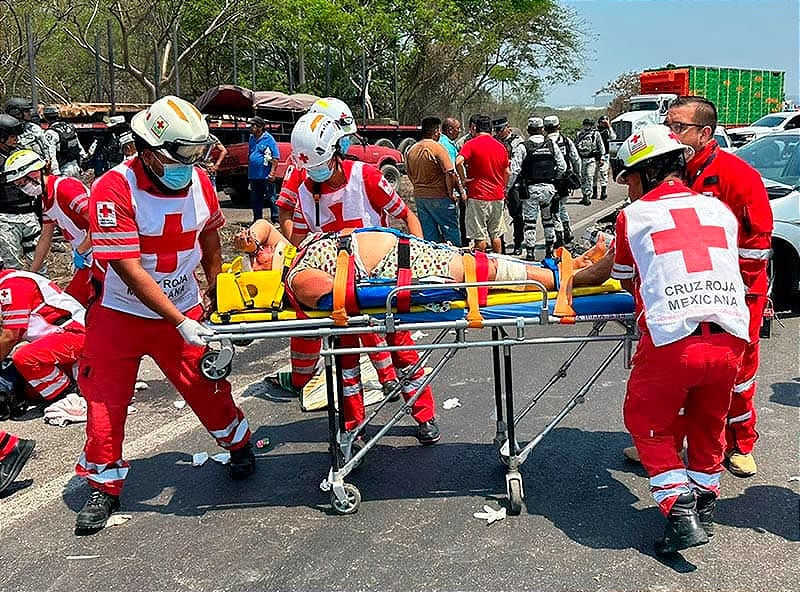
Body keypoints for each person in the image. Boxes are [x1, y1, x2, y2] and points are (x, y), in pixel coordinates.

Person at [74, 95, 254, 533]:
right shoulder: (113, 189)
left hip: (184, 305)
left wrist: (218, 292)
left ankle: (238, 443)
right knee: (104, 398)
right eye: (183, 155)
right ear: (150, 150)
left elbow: (210, 236)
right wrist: (179, 320)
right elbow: (128, 267)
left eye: (197, 154)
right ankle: (104, 484)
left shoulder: (199, 182)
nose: (191, 164)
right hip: (121, 312)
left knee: (204, 384)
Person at [612, 125, 749, 555]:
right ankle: (706, 502)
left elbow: (621, 277)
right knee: (709, 424)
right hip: (729, 339)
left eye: (630, 178)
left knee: (646, 423)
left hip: (674, 341)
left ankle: (679, 508)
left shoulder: (633, 216)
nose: (629, 188)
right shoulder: (720, 211)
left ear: (647, 173)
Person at [274, 111, 439, 443]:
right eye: (311, 170)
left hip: (380, 281)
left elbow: (406, 216)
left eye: (322, 165)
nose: (317, 175)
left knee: (401, 350)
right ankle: (354, 428)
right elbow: (300, 234)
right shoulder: (304, 187)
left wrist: (419, 256)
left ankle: (424, 415)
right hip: (339, 289)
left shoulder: (364, 176)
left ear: (338, 149)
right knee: (345, 363)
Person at [638, 96, 770, 478]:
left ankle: (740, 443)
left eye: (678, 127)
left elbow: (756, 248)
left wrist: (734, 295)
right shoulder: (665, 172)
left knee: (737, 374)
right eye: (668, 126)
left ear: (705, 133)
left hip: (734, 297)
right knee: (678, 372)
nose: (670, 133)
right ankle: (668, 442)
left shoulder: (737, 176)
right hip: (680, 296)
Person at [274, 99, 402, 403]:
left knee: (371, 323)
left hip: (375, 265)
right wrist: (306, 252)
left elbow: (402, 214)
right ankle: (301, 378)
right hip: (333, 269)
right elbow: (287, 215)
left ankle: (393, 382)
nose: (347, 142)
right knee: (325, 326)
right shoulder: (303, 175)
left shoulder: (363, 174)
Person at [235, 221, 613, 303]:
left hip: (406, 253)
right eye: (258, 258)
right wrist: (418, 292)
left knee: (482, 261)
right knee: (485, 271)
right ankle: (574, 279)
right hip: (404, 270)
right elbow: (350, 297)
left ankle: (573, 266)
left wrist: (250, 240)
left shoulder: (295, 254)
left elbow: (266, 230)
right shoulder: (298, 277)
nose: (260, 250)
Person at [3, 149, 94, 306]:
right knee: (74, 303)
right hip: (89, 257)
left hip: (101, 255)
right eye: (18, 185)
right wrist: (31, 274)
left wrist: (81, 251)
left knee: (75, 304)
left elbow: (99, 222)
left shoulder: (65, 188)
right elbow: (45, 238)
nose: (23, 188)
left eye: (23, 183)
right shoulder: (46, 200)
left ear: (35, 173)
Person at [0, 255, 85, 406]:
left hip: (75, 332)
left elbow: (10, 337)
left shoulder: (11, 285)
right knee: (30, 390)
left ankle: (65, 394)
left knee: (25, 358)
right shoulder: (12, 281)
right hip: (64, 334)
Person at [512, 117, 567, 261]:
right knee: (548, 220)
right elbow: (562, 166)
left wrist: (508, 188)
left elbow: (514, 170)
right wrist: (555, 179)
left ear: (529, 130)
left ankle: (530, 253)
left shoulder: (524, 146)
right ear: (542, 129)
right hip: (549, 189)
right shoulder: (551, 145)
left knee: (530, 223)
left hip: (531, 190)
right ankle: (549, 251)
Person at [456, 115, 509, 253]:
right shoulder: (500, 146)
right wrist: (503, 188)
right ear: (491, 129)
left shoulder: (471, 144)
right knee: (496, 234)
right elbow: (507, 171)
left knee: (479, 237)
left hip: (478, 195)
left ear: (475, 129)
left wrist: (464, 179)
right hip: (497, 196)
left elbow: (458, 161)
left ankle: (482, 267)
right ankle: (499, 264)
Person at [405, 116, 461, 245]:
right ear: (436, 131)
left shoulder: (411, 150)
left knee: (429, 234)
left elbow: (410, 174)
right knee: (450, 231)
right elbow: (450, 173)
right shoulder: (438, 148)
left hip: (420, 197)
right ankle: (456, 260)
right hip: (440, 196)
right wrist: (451, 192)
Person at [0, 114, 42, 271]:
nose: (16, 139)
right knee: (12, 265)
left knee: (39, 263)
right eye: (11, 136)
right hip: (6, 219)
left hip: (30, 215)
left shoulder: (22, 154)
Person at [544, 115, 581, 247]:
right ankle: (567, 230)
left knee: (553, 209)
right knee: (561, 206)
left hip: (548, 181)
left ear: (545, 128)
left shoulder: (542, 142)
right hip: (564, 180)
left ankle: (559, 234)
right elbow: (576, 159)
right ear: (558, 126)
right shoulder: (566, 140)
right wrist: (576, 175)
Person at [494, 117, 524, 256]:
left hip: (514, 182)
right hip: (497, 181)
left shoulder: (518, 141)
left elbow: (517, 166)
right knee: (497, 216)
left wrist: (508, 186)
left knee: (517, 214)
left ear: (507, 127)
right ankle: (501, 247)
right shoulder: (494, 141)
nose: (498, 132)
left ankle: (518, 243)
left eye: (500, 129)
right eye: (496, 130)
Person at [5, 98, 58, 174]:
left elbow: (46, 146)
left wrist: (50, 165)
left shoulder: (33, 128)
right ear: (15, 112)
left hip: (40, 169)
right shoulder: (6, 131)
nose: (30, 113)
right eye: (26, 111)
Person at [439, 117, 468, 245]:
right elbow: (451, 171)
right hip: (449, 192)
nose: (460, 131)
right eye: (458, 128)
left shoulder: (440, 142)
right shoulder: (447, 146)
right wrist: (460, 191)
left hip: (436, 191)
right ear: (450, 129)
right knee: (451, 226)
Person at [247, 115, 280, 223]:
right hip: (254, 175)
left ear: (260, 127)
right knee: (255, 199)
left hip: (265, 175)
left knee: (271, 198)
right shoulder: (251, 138)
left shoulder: (269, 139)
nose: (250, 127)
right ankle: (257, 220)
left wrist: (272, 173)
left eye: (253, 125)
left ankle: (275, 219)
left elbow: (275, 157)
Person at [42, 106, 87, 179]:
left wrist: (56, 172)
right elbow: (78, 145)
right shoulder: (69, 127)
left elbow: (51, 155)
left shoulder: (50, 133)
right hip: (76, 166)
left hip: (63, 169)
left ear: (46, 118)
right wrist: (83, 158)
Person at [575, 117, 605, 205]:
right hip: (581, 159)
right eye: (585, 124)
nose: (587, 126)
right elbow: (575, 146)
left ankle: (588, 195)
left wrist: (601, 158)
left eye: (588, 125)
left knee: (589, 176)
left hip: (591, 159)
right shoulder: (579, 134)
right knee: (582, 177)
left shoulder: (596, 134)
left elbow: (601, 146)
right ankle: (584, 195)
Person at [596, 115, 616, 200]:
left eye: (605, 122)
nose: (603, 123)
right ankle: (594, 192)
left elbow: (613, 137)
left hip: (605, 155)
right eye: (602, 122)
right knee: (594, 175)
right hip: (595, 155)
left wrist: (609, 126)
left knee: (603, 173)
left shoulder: (608, 131)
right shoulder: (596, 132)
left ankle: (603, 192)